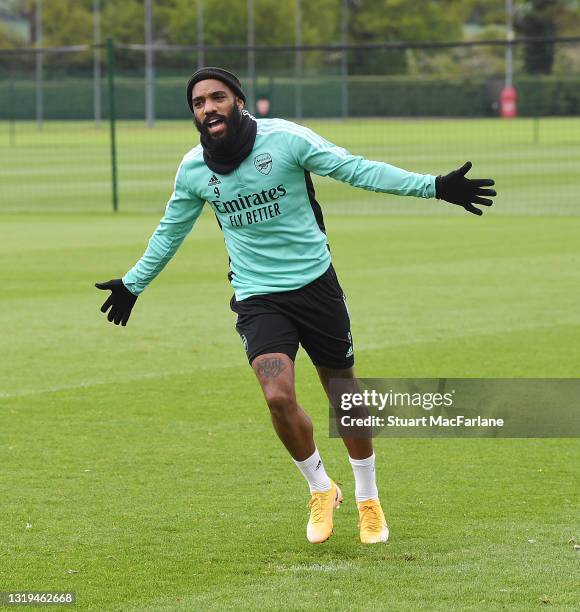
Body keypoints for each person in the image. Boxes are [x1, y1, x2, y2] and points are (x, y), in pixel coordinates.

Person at [95, 67, 496, 545]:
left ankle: (368, 498)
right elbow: (171, 230)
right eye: (198, 104)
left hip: (315, 285)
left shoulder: (285, 140)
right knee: (278, 396)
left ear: (239, 100)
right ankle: (321, 488)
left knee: (343, 396)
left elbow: (356, 168)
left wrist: (433, 186)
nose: (207, 109)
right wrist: (134, 283)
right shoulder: (193, 170)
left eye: (216, 98)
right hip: (257, 297)